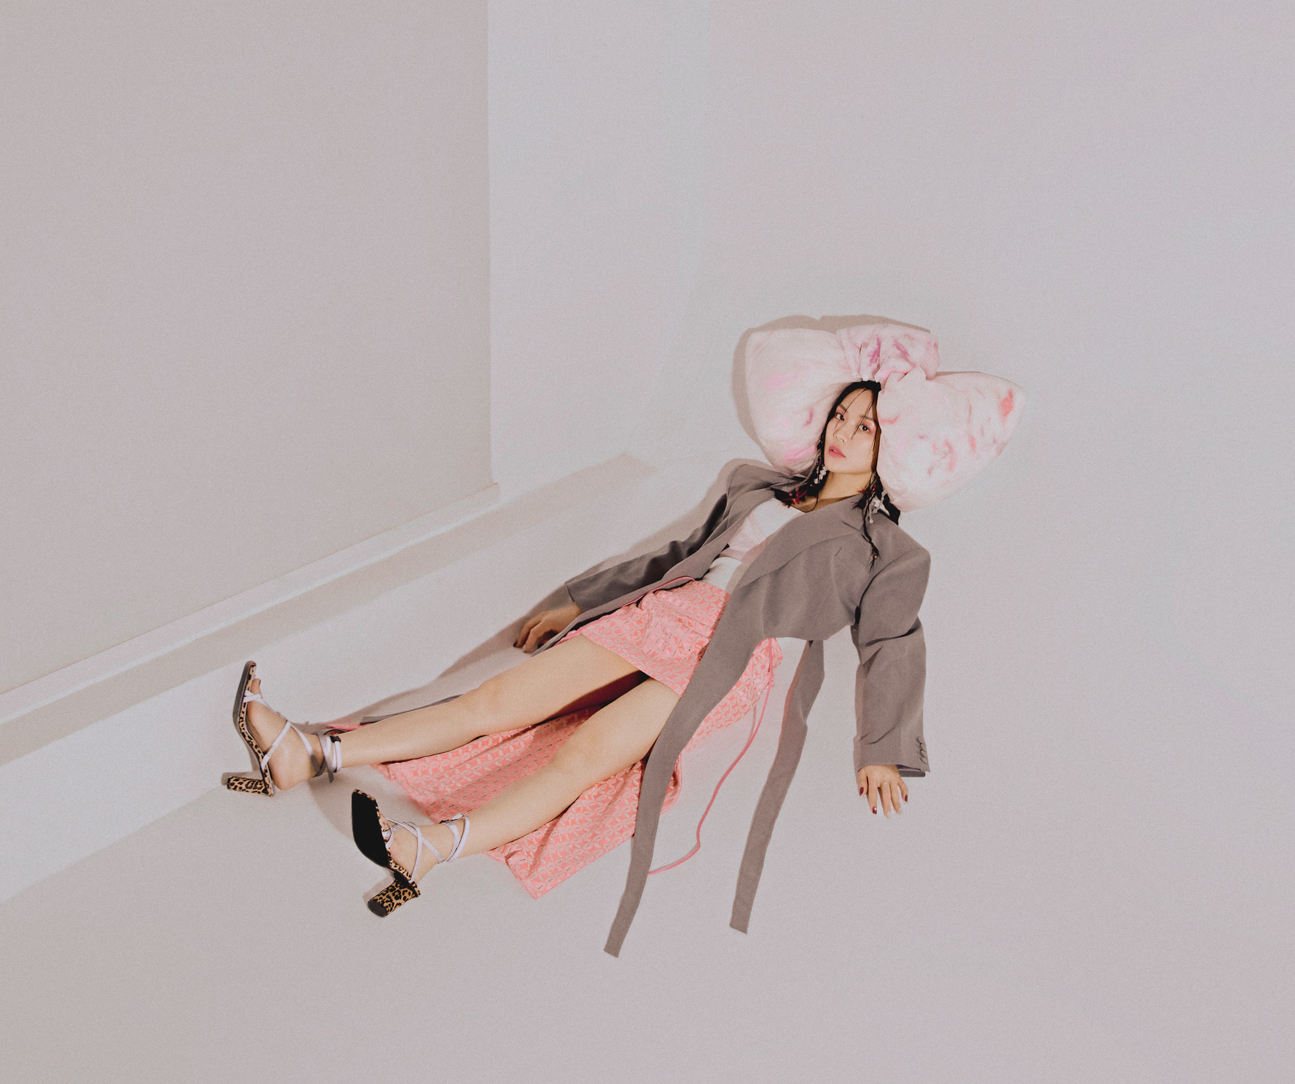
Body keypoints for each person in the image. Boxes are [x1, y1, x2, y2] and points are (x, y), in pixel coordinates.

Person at [225, 322, 1025, 955]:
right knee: (497, 700)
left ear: (894, 446)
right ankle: (311, 752)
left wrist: (880, 748)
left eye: (865, 425)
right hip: (664, 617)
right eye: (841, 416)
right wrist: (577, 596)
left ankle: (429, 849)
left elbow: (892, 643)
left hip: (730, 660)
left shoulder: (887, 551)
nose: (844, 432)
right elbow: (673, 556)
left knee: (586, 756)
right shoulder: (757, 487)